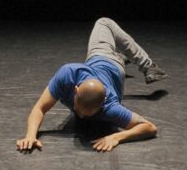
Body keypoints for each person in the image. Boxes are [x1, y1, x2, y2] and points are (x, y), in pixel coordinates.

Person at [17, 17, 167, 153]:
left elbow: (149, 127)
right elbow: (39, 108)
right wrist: (30, 135)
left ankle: (145, 65)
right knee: (103, 23)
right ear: (76, 90)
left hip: (113, 66)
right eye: (78, 110)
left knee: (106, 25)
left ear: (102, 105)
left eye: (87, 114)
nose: (80, 116)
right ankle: (127, 59)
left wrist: (117, 137)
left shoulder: (110, 107)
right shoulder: (67, 75)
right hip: (99, 56)